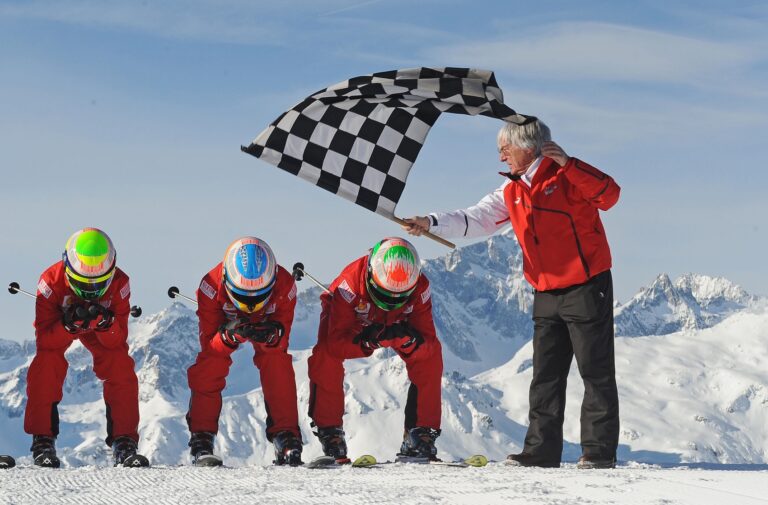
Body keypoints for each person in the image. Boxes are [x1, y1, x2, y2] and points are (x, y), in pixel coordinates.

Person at [402, 118, 621, 469]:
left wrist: (569, 163)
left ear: (529, 147)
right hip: (545, 290)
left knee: (595, 371)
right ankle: (541, 452)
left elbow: (610, 195)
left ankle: (598, 453)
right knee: (545, 375)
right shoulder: (512, 190)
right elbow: (474, 218)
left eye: (505, 149)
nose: (501, 157)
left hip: (586, 284)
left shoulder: (566, 176)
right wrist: (429, 222)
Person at [307, 237, 443, 463]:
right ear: (371, 276)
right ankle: (330, 433)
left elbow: (427, 342)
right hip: (354, 320)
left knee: (431, 356)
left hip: (399, 321)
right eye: (384, 294)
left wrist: (409, 342)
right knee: (325, 354)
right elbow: (336, 344)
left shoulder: (421, 288)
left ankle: (420, 433)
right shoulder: (347, 287)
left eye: (400, 296)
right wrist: (366, 342)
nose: (391, 300)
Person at [25, 228, 148, 468]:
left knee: (120, 365)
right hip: (62, 325)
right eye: (84, 282)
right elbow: (46, 342)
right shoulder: (49, 283)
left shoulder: (121, 283)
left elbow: (117, 340)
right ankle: (43, 441)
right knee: (46, 364)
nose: (91, 289)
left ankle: (124, 442)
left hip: (99, 329)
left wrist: (106, 323)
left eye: (99, 282)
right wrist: (67, 325)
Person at [186, 237, 303, 466]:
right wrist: (227, 336)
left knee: (276, 360)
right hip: (226, 324)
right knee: (210, 364)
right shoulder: (209, 287)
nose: (251, 304)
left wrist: (273, 334)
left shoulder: (286, 285)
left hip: (267, 321)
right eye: (242, 295)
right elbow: (209, 344)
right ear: (226, 281)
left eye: (259, 296)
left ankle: (286, 436)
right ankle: (201, 438)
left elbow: (283, 337)